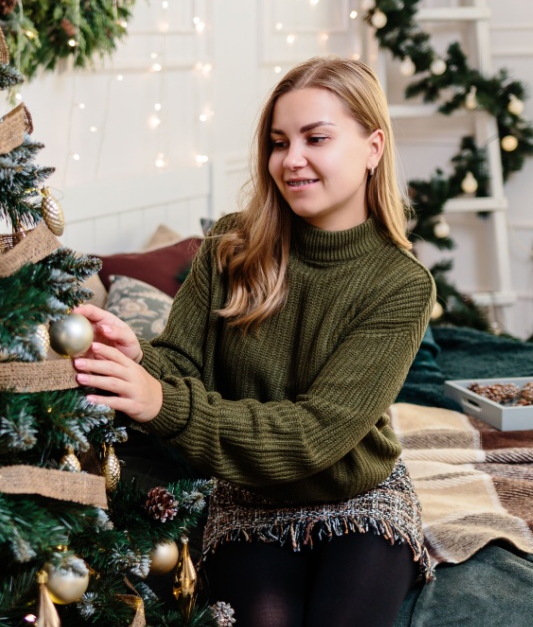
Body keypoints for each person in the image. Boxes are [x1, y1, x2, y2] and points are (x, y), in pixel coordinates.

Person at [73, 56, 435, 627]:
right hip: (248, 495)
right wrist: (140, 356)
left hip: (357, 496)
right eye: (278, 142)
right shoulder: (231, 244)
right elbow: (183, 361)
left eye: (316, 138)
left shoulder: (401, 284)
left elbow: (314, 434)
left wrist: (162, 401)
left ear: (373, 147)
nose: (291, 160)